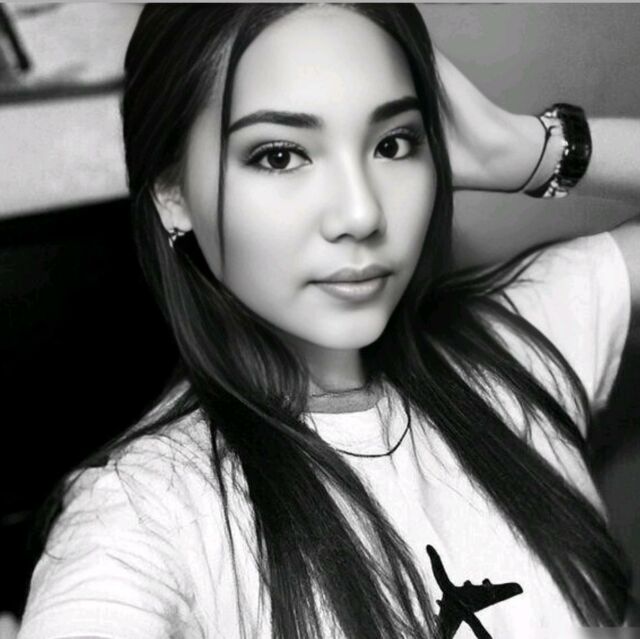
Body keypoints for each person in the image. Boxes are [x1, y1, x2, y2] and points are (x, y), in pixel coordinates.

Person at [15, 4, 640, 638]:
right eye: (280, 156)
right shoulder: (144, 513)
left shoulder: (515, 342)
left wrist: (525, 150)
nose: (361, 213)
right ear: (172, 192)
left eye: (393, 144)